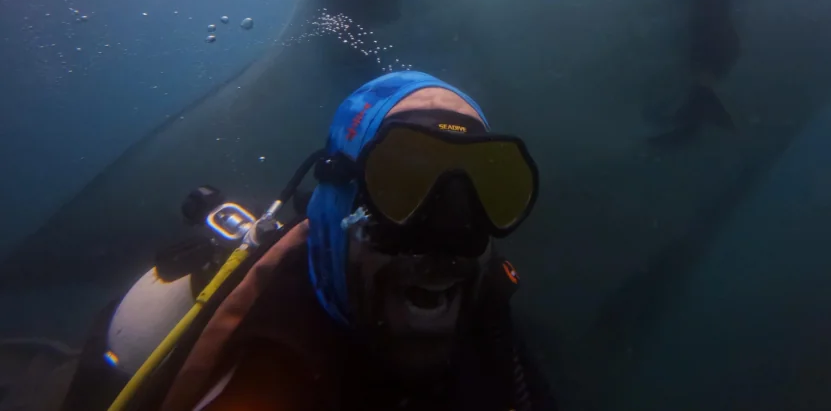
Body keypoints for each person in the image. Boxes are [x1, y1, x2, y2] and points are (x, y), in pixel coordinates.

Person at [60, 70, 555, 411]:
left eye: (483, 192)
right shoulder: (270, 372)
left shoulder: (489, 316)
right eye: (400, 188)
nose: (445, 241)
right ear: (339, 199)